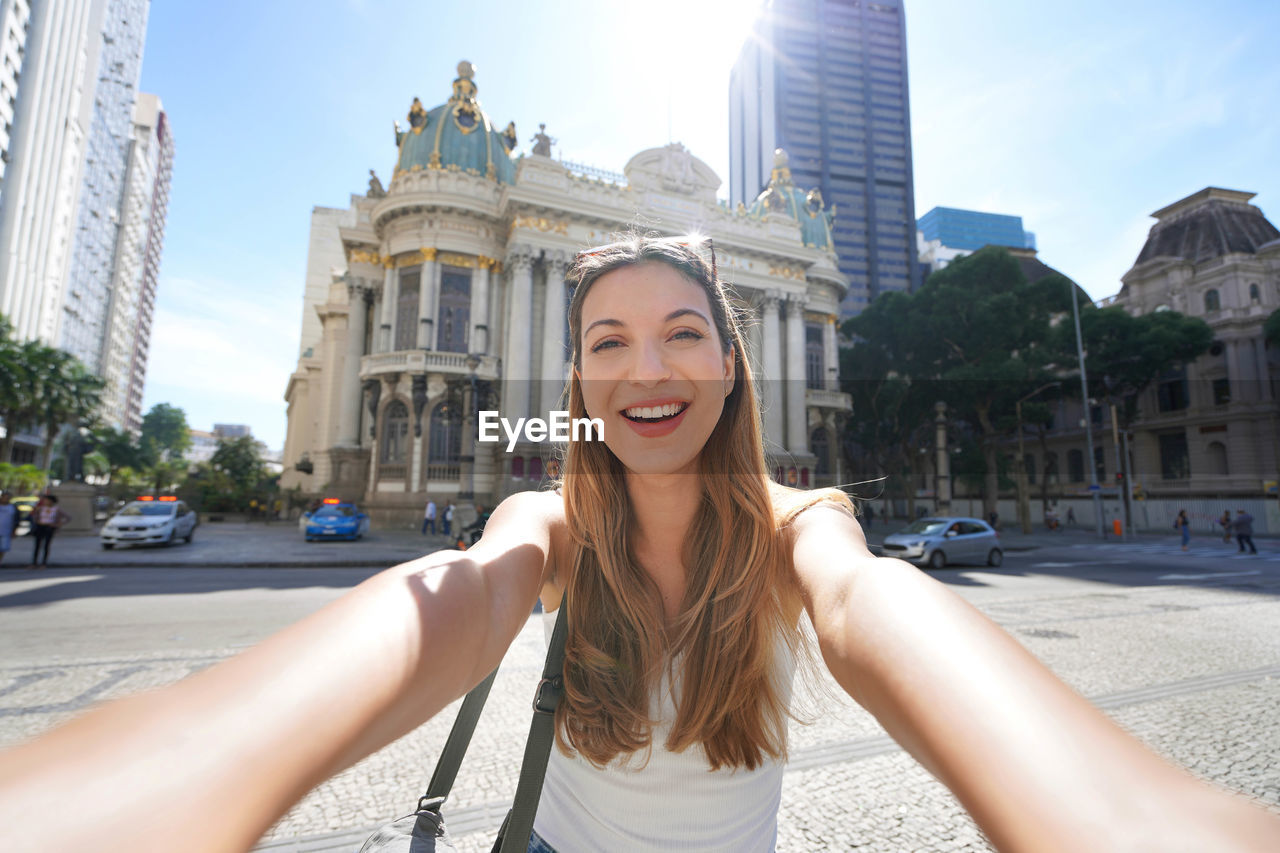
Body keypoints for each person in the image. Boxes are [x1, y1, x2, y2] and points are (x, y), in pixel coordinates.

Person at [1, 234, 1278, 853]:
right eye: (606, 340)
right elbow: (451, 599)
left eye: (681, 332)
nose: (645, 367)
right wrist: (181, 769)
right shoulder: (544, 523)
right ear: (576, 379)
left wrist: (1126, 821)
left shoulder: (800, 530)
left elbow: (887, 613)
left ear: (730, 365)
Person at [28, 495, 70, 569]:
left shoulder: (56, 509)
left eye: (47, 500)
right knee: (37, 545)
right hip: (40, 527)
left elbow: (67, 518)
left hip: (49, 528)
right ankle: (34, 563)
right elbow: (33, 517)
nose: (45, 502)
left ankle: (43, 563)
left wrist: (58, 524)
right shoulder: (40, 508)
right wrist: (37, 520)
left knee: (46, 546)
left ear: (52, 501)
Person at [0, 492, 16, 566]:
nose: (6, 499)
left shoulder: (12, 507)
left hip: (6, 531)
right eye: (5, 497)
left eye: (8, 498)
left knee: (3, 549)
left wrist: (14, 530)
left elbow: (16, 520)